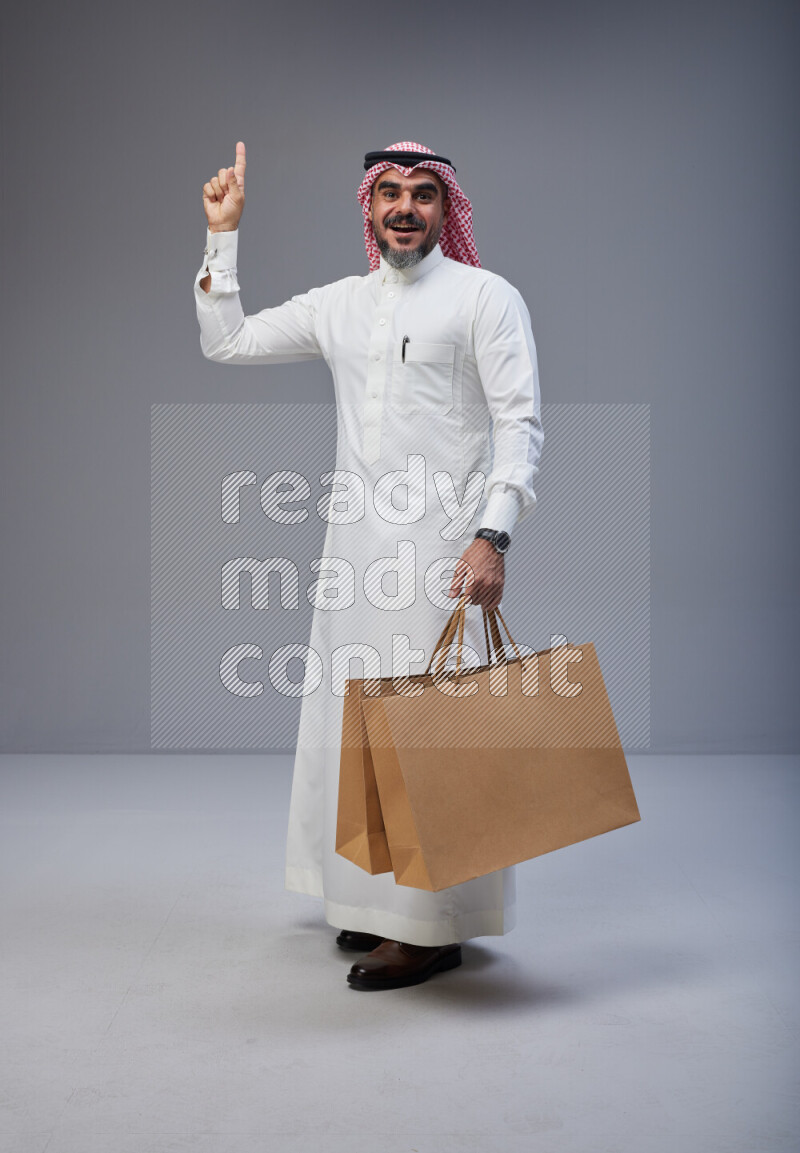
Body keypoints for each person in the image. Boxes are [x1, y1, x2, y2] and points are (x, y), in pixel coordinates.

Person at [194, 140, 544, 990]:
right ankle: (374, 906)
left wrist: (492, 536)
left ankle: (430, 928)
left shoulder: (485, 298)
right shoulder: (342, 306)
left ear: (444, 206)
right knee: (353, 733)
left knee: (436, 740)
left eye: (424, 194)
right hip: (352, 560)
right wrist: (224, 237)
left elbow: (521, 426)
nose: (405, 209)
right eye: (390, 193)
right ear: (369, 205)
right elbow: (229, 342)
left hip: (441, 562)